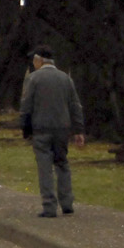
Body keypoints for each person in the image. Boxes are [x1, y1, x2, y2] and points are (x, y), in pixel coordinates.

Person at [19, 46, 85, 217]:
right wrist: (79, 130)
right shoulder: (65, 78)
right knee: (62, 164)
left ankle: (49, 205)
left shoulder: (33, 79)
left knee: (45, 167)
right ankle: (67, 202)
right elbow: (75, 106)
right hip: (62, 128)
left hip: (41, 128)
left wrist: (25, 129)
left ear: (39, 61)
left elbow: (26, 106)